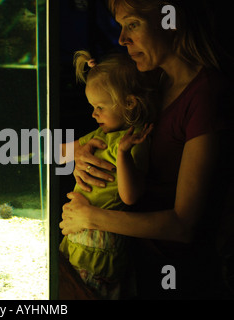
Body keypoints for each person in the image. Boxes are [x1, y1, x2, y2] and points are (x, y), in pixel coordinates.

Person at [59, 0, 234, 299]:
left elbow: (184, 226)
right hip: (129, 264)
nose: (122, 39)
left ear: (170, 20)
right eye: (121, 27)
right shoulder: (152, 83)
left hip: (175, 277)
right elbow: (64, 149)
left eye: (133, 24)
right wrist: (81, 156)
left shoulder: (205, 95)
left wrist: (89, 218)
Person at [59, 51, 156, 300]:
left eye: (100, 107)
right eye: (92, 107)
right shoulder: (100, 135)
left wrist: (123, 154)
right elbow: (60, 154)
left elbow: (130, 196)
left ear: (130, 103)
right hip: (78, 232)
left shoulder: (133, 141)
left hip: (101, 242)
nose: (94, 114)